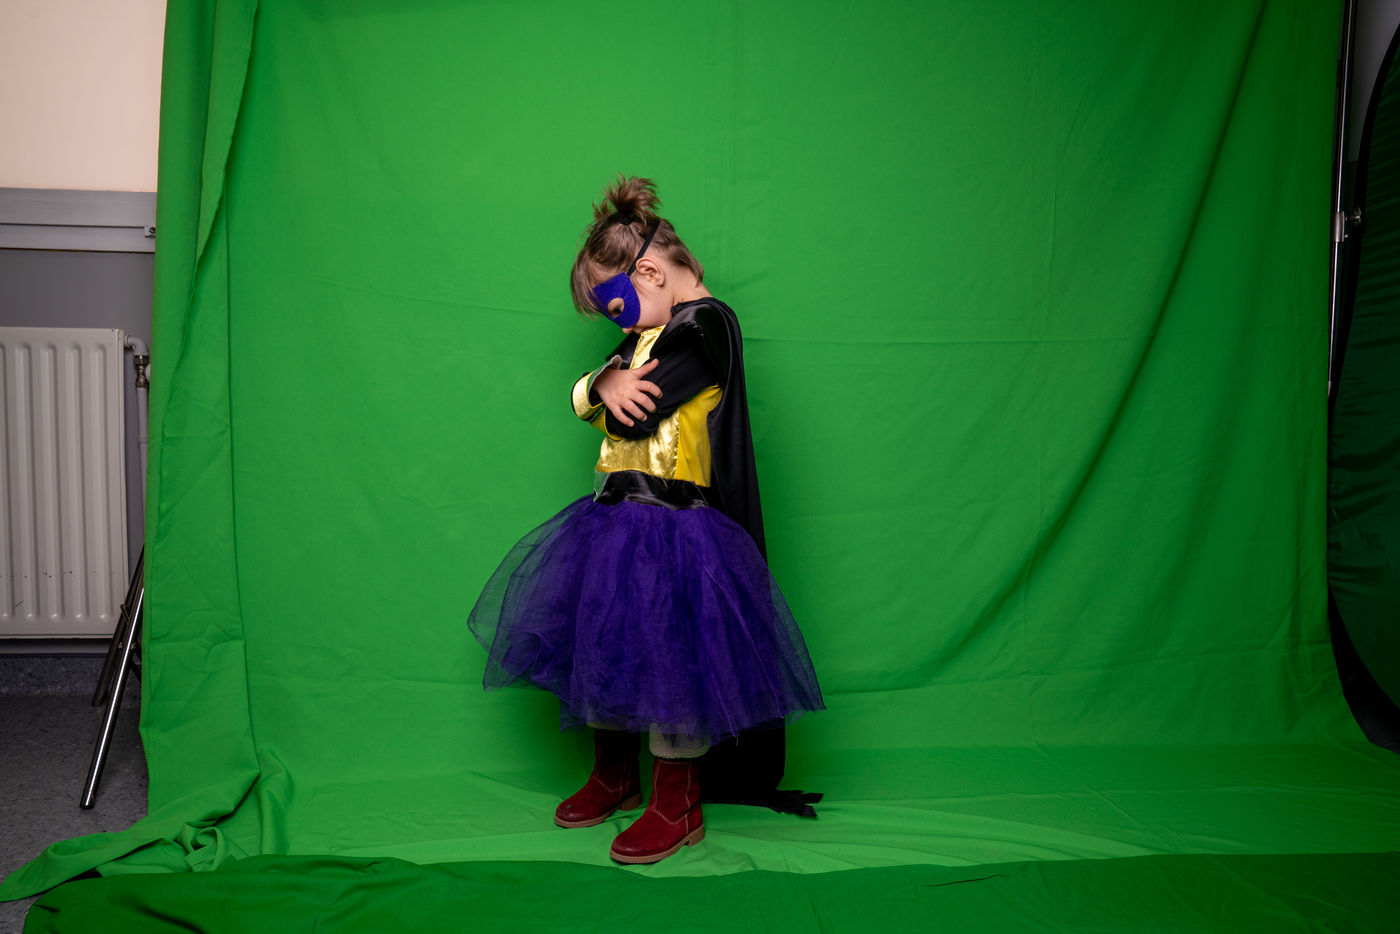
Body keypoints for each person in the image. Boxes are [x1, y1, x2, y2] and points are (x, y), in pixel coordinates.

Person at [468, 176, 823, 865]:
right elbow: (597, 393)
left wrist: (608, 388)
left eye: (618, 308)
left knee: (670, 656)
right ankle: (615, 775)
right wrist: (600, 382)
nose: (621, 327)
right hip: (614, 517)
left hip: (677, 523)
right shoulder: (650, 334)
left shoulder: (706, 324)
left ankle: (676, 800)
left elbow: (638, 408)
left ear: (652, 273)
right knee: (609, 641)